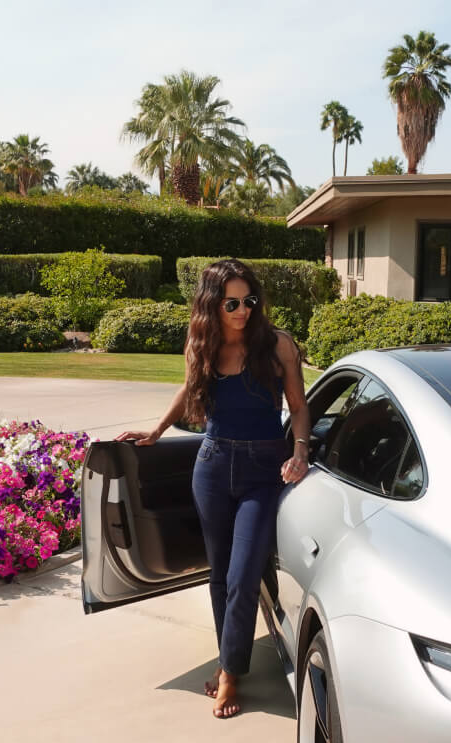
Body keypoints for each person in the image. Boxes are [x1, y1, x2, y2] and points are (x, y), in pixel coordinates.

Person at [117, 259, 310, 719]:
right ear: (212, 305)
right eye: (232, 303)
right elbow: (188, 390)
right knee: (220, 574)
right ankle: (232, 665)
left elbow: (299, 408)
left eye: (250, 301)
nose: (243, 310)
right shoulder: (201, 343)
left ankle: (228, 673)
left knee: (244, 576)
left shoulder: (278, 345)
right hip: (212, 464)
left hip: (263, 470)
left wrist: (299, 450)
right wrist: (158, 430)